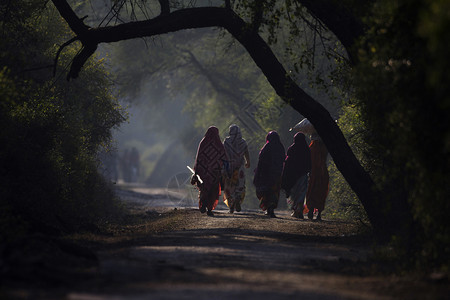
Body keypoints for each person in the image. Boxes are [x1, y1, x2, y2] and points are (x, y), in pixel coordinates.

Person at [191, 126, 228, 216]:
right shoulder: (219, 144)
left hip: (203, 171)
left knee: (204, 189)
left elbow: (199, 157)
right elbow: (224, 157)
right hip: (214, 172)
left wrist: (197, 169)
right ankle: (209, 209)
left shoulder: (203, 142)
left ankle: (203, 205)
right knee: (213, 190)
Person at [253, 131, 286, 218]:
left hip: (266, 174)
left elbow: (261, 161)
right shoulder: (280, 147)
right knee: (274, 191)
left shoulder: (266, 147)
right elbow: (283, 159)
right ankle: (271, 208)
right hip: (277, 174)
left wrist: (258, 172)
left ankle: (268, 208)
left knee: (266, 191)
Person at [281, 132, 311, 219]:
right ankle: (299, 210)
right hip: (303, 175)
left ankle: (296, 210)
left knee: (293, 194)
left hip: (292, 176)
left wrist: (285, 175)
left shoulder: (292, 148)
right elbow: (309, 163)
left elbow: (288, 162)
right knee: (301, 194)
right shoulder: (306, 149)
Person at [222, 124, 251, 213]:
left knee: (229, 186)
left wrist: (221, 165)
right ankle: (237, 199)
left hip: (228, 168)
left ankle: (231, 206)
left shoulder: (227, 142)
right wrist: (248, 162)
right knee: (240, 185)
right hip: (240, 169)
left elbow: (223, 154)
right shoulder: (243, 142)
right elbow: (246, 153)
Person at [305, 134, 329, 220]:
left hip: (314, 173)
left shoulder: (312, 147)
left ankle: (311, 210)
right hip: (323, 173)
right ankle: (319, 214)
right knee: (321, 192)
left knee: (312, 191)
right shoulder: (325, 147)